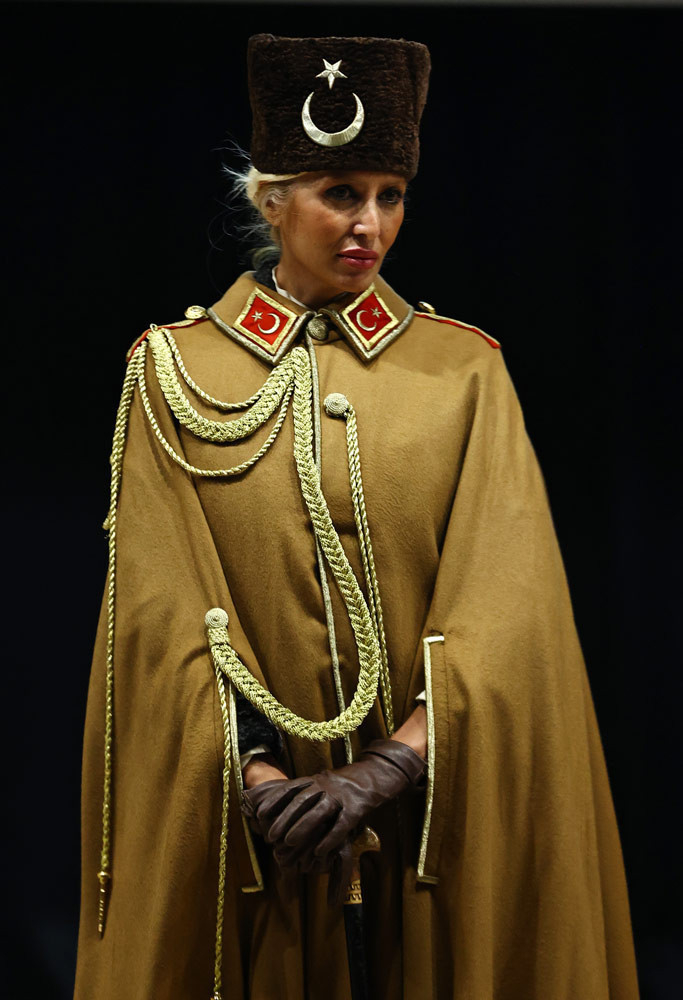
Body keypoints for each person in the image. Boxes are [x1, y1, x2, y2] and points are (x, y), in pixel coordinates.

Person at [74, 33, 640, 1000]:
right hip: (253, 828)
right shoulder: (173, 372)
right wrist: (263, 783)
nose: (369, 224)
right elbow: (156, 613)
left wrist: (385, 769)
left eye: (391, 195)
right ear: (271, 198)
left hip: (430, 817)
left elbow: (513, 602)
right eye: (341, 192)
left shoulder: (463, 372)